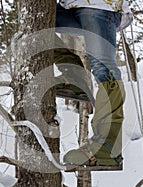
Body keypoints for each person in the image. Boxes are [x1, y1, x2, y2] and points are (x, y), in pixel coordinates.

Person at [55, 0, 126, 166]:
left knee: (103, 67)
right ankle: (75, 77)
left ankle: (107, 145)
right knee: (33, 24)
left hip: (98, 5)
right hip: (70, 6)